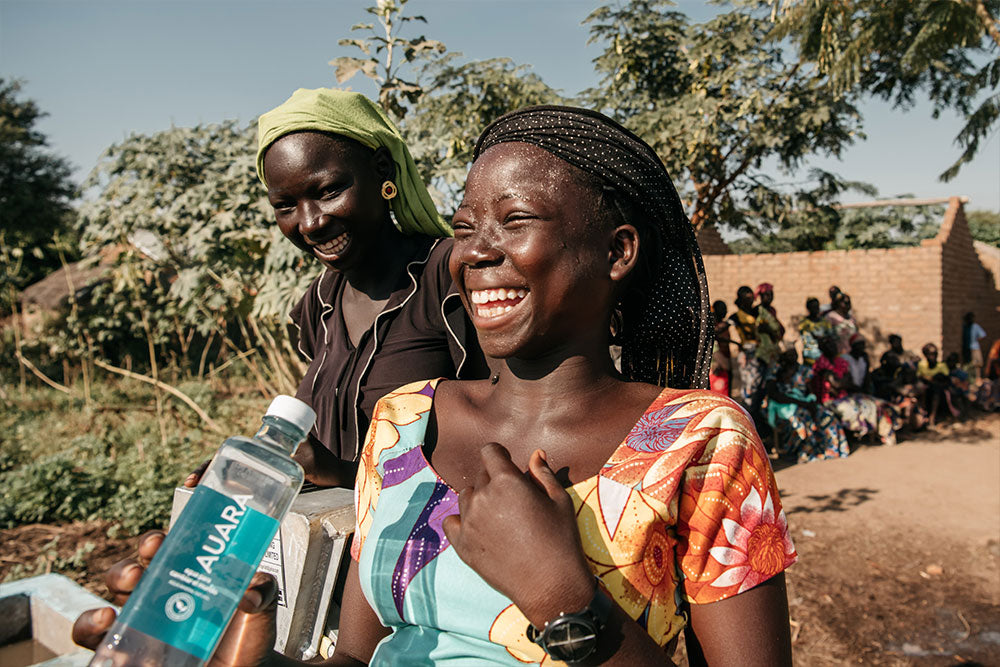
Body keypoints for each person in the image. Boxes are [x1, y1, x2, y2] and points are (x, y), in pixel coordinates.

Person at [76, 106, 795, 666]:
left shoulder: (702, 442)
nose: (475, 250)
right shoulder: (402, 421)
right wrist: (253, 652)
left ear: (617, 251)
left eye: (514, 221)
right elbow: (356, 654)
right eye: (463, 226)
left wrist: (565, 599)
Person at [186, 88, 488, 488]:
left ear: (383, 170)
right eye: (285, 205)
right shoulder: (319, 303)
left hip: (434, 544)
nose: (309, 223)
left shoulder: (451, 277)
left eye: (328, 191)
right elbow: (325, 450)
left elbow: (503, 437)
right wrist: (258, 470)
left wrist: (340, 474)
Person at [764, 349, 851, 463]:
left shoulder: (803, 370)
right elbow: (774, 394)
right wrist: (800, 403)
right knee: (799, 421)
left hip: (804, 403)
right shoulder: (775, 371)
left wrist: (811, 403)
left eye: (794, 353)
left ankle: (831, 449)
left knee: (828, 417)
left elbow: (810, 391)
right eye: (788, 354)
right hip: (782, 408)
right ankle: (797, 452)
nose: (792, 356)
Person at [813, 337, 900, 446]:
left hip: (845, 395)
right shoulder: (820, 364)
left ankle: (884, 433)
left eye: (834, 345)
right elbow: (837, 385)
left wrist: (839, 382)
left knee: (877, 404)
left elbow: (844, 382)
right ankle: (872, 433)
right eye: (830, 346)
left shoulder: (840, 362)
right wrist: (840, 382)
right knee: (860, 409)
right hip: (829, 400)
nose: (834, 348)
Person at [917, 342, 957, 425]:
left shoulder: (942, 366)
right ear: (925, 355)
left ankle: (932, 416)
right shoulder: (922, 365)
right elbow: (919, 377)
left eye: (935, 354)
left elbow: (946, 379)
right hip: (926, 389)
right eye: (930, 354)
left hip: (939, 390)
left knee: (936, 390)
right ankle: (923, 415)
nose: (933, 356)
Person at [709, 299, 733, 396]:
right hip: (718, 365)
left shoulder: (724, 326)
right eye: (722, 309)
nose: (725, 312)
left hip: (725, 360)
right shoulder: (714, 329)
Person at [797, 297, 831, 366]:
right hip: (810, 357)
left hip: (824, 357)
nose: (815, 309)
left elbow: (829, 337)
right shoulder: (804, 323)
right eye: (812, 307)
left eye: (816, 306)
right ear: (808, 308)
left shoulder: (825, 322)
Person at [961, 312, 987, 380]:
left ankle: (977, 378)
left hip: (975, 348)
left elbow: (983, 335)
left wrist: (976, 339)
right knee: (968, 365)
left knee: (977, 364)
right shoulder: (965, 327)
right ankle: (968, 378)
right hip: (967, 348)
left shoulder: (975, 326)